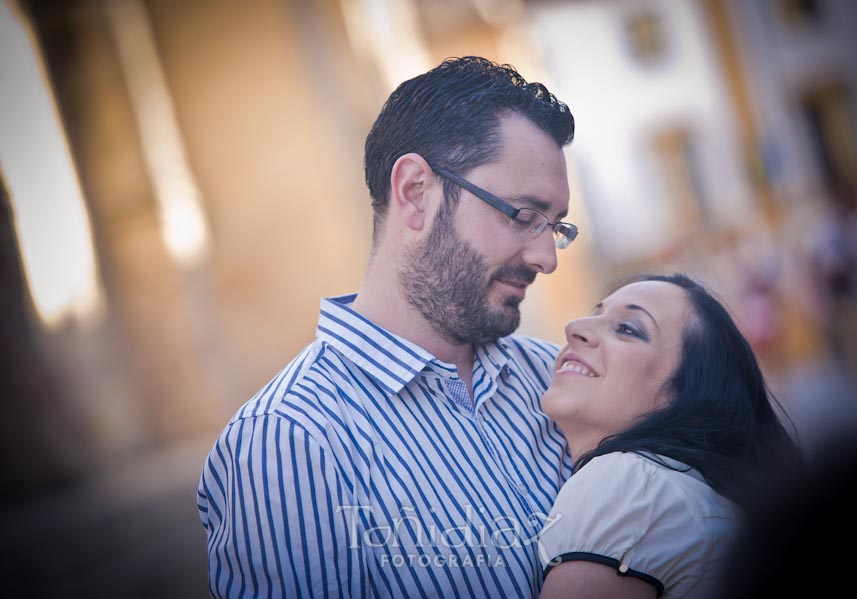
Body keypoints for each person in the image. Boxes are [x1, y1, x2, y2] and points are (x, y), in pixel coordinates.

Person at [198, 56, 577, 598]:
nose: (547, 257)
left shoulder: (558, 380)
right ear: (416, 192)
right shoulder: (288, 443)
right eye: (522, 215)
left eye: (557, 227)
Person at [537, 274, 799, 599]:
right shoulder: (685, 492)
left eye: (628, 328)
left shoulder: (628, 484)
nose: (575, 327)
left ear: (688, 395)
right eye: (595, 314)